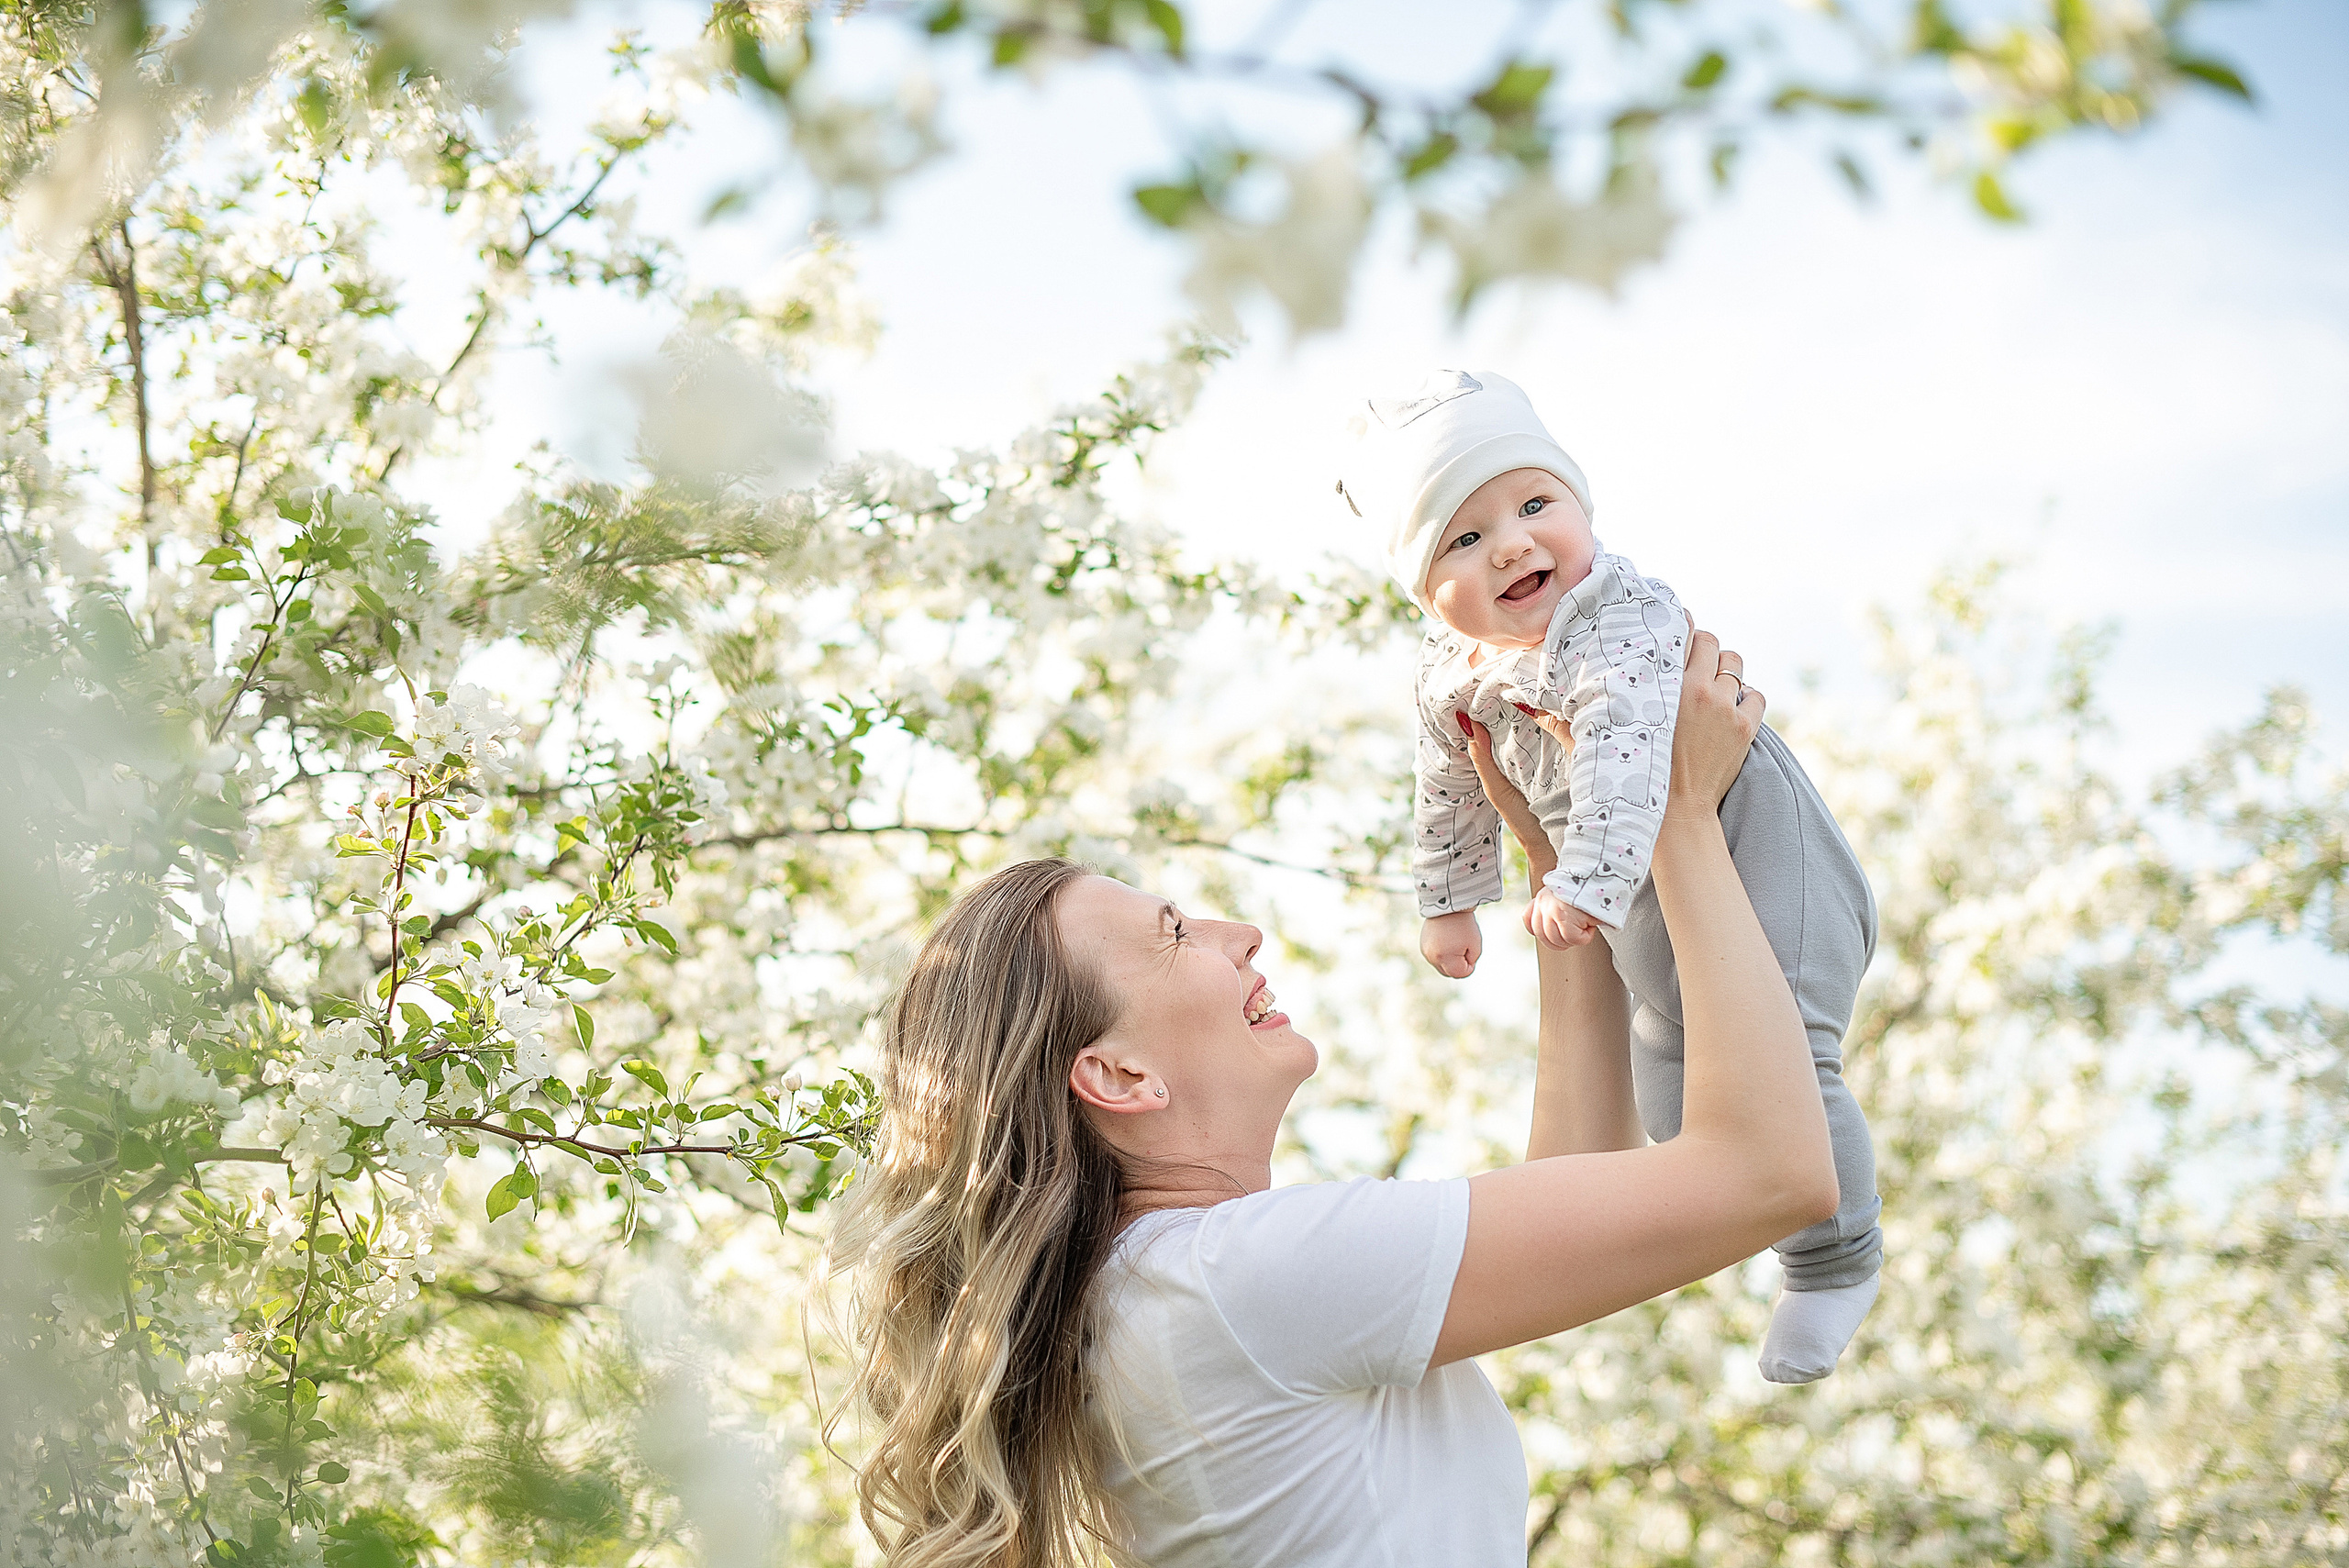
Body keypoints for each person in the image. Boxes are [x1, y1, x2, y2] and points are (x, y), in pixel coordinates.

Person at [825, 624, 1842, 1568]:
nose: (1240, 932)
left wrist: (1560, 873)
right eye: (1176, 933)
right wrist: (1676, 818)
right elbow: (1773, 1172)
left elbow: (1583, 1193)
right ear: (1118, 1076)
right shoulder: (1234, 1279)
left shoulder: (1173, 1291)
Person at [1337, 367, 1882, 1384]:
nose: (1512, 541)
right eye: (1463, 537)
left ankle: (1834, 1261)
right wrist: (1452, 901)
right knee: (1684, 1099)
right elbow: (1452, 789)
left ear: (1581, 508)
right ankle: (1775, 1242)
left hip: (1755, 851)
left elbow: (1635, 756)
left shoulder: (1616, 614)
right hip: (1630, 896)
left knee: (1787, 1058)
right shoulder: (1450, 674)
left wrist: (1578, 881)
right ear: (1427, 590)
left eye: (1535, 504)